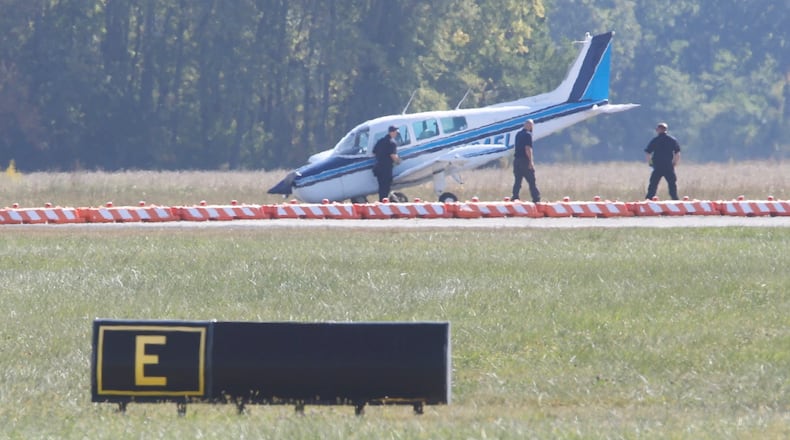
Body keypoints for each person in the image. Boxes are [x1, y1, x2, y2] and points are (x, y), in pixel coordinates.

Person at [644, 122, 681, 200]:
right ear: (666, 130)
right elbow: (677, 153)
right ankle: (675, 200)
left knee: (653, 184)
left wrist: (650, 163)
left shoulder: (655, 140)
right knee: (672, 184)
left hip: (657, 166)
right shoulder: (672, 140)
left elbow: (647, 152)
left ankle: (649, 200)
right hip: (668, 166)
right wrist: (674, 163)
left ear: (658, 130)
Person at [511, 119, 541, 203]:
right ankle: (536, 198)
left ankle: (515, 196)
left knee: (517, 180)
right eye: (531, 125)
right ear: (528, 126)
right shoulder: (528, 135)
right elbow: (528, 148)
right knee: (532, 181)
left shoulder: (518, 134)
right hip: (524, 160)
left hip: (516, 160)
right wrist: (531, 161)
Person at [372, 125, 402, 202]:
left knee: (381, 189)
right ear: (391, 132)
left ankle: (381, 203)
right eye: (395, 132)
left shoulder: (380, 141)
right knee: (386, 189)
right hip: (386, 169)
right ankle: (384, 206)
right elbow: (393, 155)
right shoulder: (392, 143)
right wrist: (399, 161)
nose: (396, 133)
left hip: (378, 168)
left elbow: (374, 152)